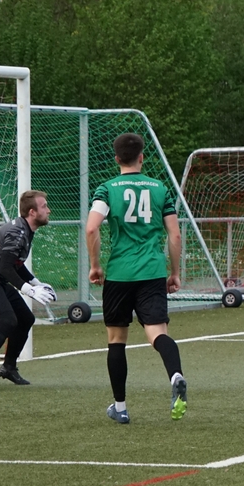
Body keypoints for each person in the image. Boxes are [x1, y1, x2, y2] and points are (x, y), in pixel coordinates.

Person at [85, 133, 187, 425]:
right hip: (152, 272)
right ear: (142, 157)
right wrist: (174, 272)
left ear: (117, 159)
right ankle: (176, 376)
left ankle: (120, 407)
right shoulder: (160, 189)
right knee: (158, 334)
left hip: (119, 274)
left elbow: (92, 228)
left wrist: (95, 266)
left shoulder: (106, 189)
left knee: (116, 340)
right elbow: (175, 235)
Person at [0, 190, 56, 385]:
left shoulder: (25, 229)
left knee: (25, 319)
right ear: (32, 212)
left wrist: (36, 283)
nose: (48, 210)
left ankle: (9, 367)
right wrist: (29, 290)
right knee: (7, 320)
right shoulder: (17, 232)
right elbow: (5, 267)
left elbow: (16, 264)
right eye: (44, 206)